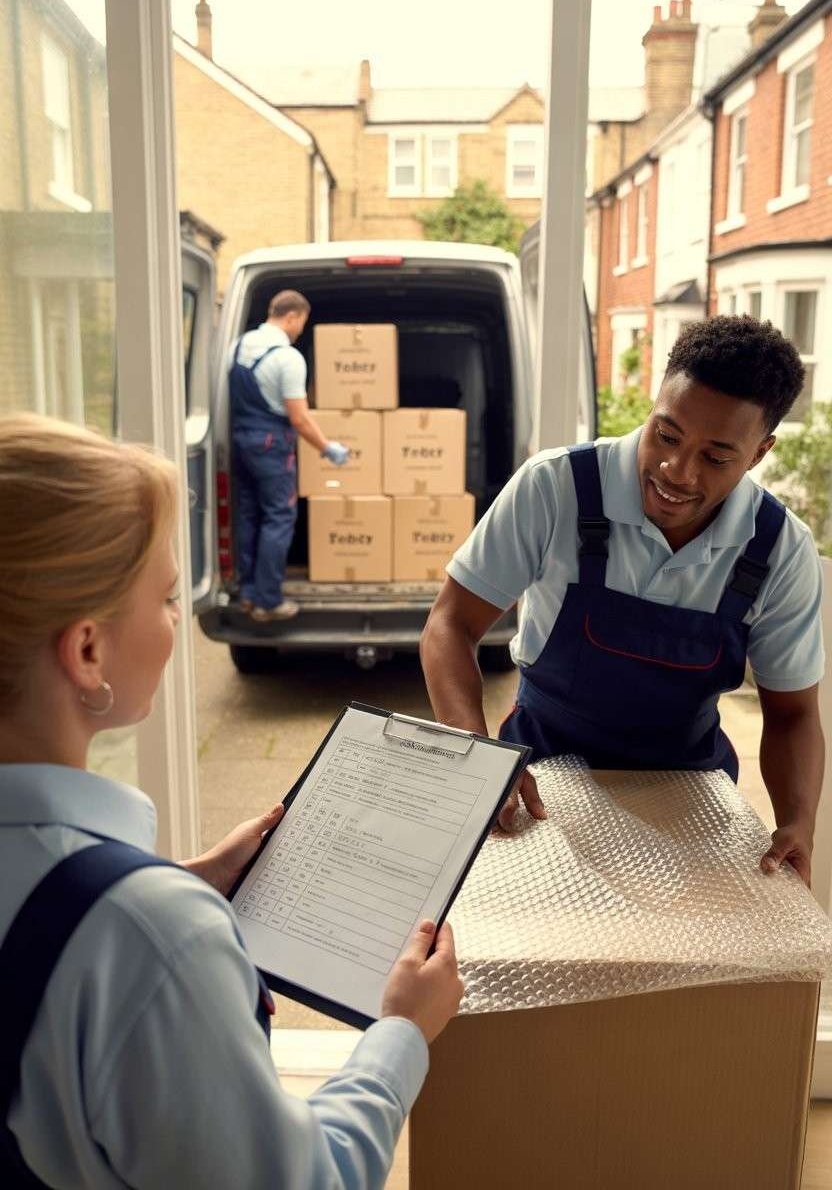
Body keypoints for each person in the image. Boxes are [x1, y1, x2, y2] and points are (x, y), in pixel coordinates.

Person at [0, 414, 463, 1189]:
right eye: (166, 597)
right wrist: (402, 1032)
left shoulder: (130, 918)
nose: (175, 621)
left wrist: (186, 879)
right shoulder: (149, 937)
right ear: (86, 650)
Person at [421, 315, 825, 886]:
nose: (676, 472)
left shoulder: (778, 549)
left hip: (690, 799)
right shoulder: (555, 488)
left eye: (715, 458)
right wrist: (479, 755)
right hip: (540, 781)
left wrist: (798, 823)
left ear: (759, 453)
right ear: (654, 405)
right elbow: (450, 624)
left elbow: (793, 714)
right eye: (667, 435)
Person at [230, 289, 350, 622]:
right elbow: (299, 418)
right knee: (278, 517)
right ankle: (268, 602)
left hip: (242, 442)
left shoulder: (238, 347)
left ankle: (249, 593)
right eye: (302, 323)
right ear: (292, 316)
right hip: (271, 446)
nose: (300, 331)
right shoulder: (288, 358)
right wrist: (327, 448)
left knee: (249, 515)